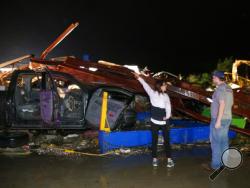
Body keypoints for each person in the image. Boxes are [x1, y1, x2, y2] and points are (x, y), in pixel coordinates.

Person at [133, 72, 174, 168]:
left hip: (154, 121)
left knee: (154, 140)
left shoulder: (152, 93)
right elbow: (168, 108)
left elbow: (145, 85)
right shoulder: (166, 96)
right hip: (164, 122)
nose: (166, 86)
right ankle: (169, 160)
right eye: (165, 85)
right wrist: (167, 116)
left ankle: (154, 160)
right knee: (167, 141)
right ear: (161, 86)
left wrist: (139, 77)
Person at [204, 71, 234, 171]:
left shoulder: (220, 89)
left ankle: (215, 165)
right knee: (224, 142)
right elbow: (230, 103)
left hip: (219, 119)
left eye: (213, 78)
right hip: (227, 117)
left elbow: (222, 104)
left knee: (216, 142)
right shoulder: (228, 88)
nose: (212, 79)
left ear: (217, 78)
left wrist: (218, 121)